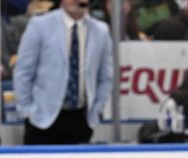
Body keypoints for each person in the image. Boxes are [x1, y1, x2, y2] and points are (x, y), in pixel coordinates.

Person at [13, 0, 113, 144]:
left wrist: (97, 108)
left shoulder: (101, 31)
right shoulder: (40, 25)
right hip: (42, 118)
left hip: (81, 118)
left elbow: (106, 76)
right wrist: (27, 111)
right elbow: (23, 71)